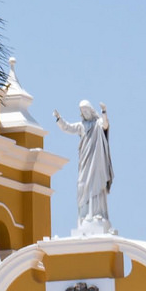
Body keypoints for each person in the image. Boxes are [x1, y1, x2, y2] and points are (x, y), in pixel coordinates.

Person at [54, 100, 113, 235]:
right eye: (83, 111)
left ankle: (97, 213)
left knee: (96, 185)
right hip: (85, 161)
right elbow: (68, 127)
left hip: (96, 160)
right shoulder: (82, 126)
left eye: (87, 110)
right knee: (83, 185)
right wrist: (59, 119)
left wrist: (104, 112)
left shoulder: (97, 124)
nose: (85, 113)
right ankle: (85, 214)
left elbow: (105, 125)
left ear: (91, 111)